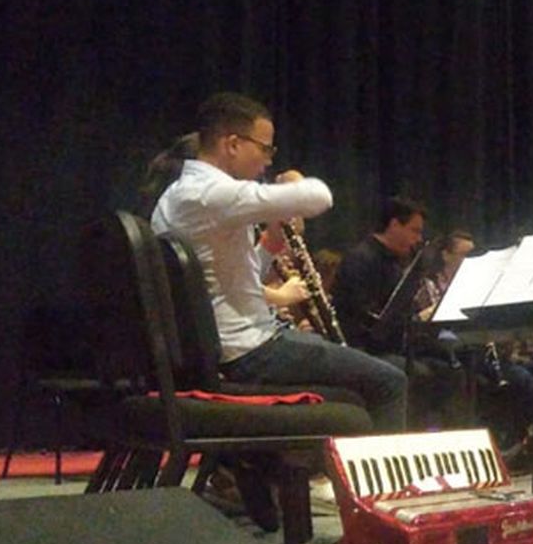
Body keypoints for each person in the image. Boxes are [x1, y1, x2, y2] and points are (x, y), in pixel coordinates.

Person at [151, 92, 408, 434]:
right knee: (389, 381)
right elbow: (319, 197)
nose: (268, 161)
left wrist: (272, 241)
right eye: (265, 148)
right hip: (246, 352)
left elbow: (235, 278)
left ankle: (278, 477)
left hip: (229, 345)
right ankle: (387, 486)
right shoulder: (212, 193)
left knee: (349, 372)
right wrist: (293, 184)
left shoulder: (180, 194)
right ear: (232, 144)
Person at [330, 198, 463, 426]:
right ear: (393, 225)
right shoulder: (360, 259)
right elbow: (364, 321)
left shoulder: (398, 261)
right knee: (423, 375)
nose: (418, 239)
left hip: (393, 344)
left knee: (454, 364)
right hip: (366, 349)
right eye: (414, 231)